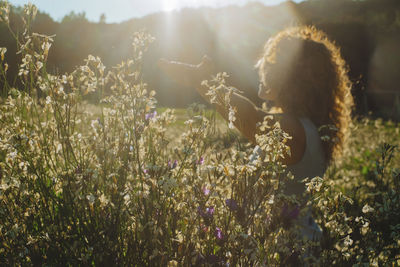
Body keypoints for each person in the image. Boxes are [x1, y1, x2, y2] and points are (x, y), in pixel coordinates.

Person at [158, 26, 353, 239]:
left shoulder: (295, 129)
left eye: (270, 62)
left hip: (287, 252)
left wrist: (200, 79)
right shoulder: (311, 127)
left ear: (292, 75)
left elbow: (251, 118)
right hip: (295, 241)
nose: (260, 65)